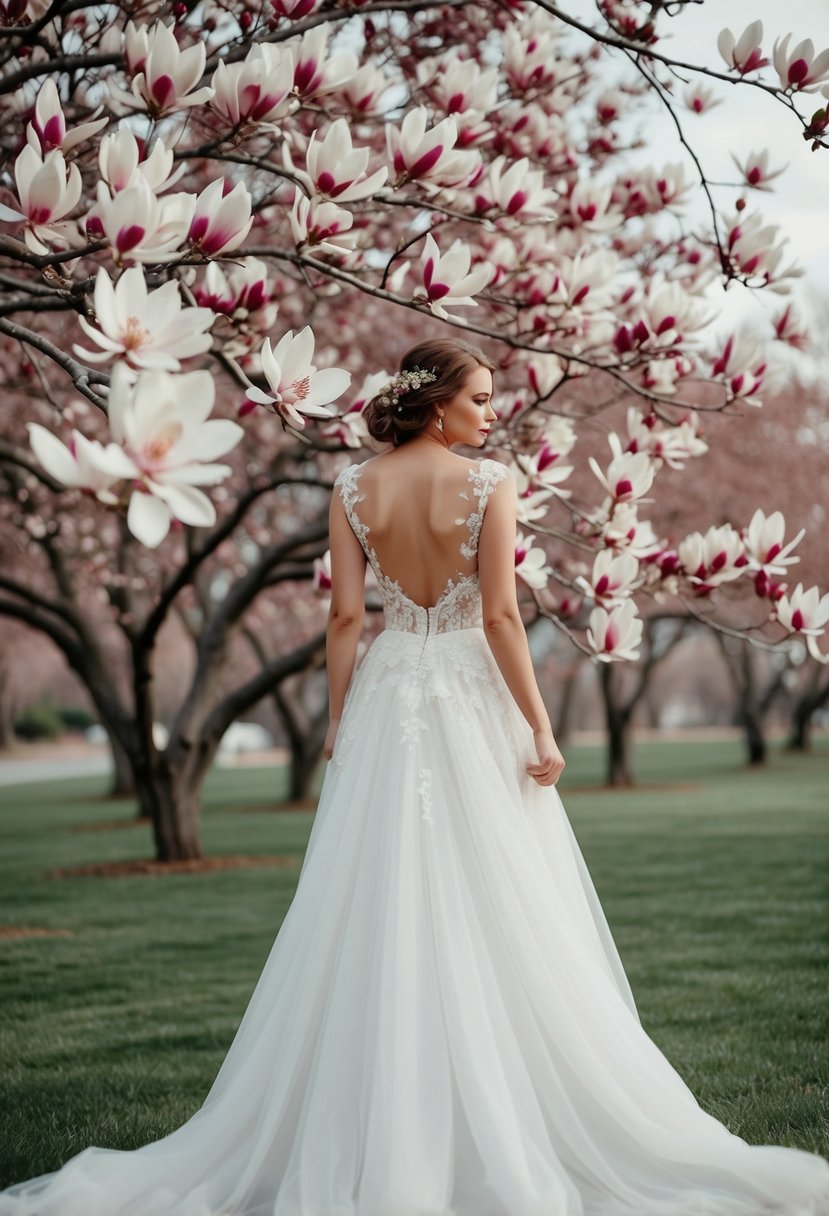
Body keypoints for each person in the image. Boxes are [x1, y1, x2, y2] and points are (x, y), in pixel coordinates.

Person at [2, 338, 828, 1216]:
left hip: (390, 691)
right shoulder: (489, 484)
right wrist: (540, 723)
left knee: (381, 890)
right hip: (471, 691)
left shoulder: (352, 487)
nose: (489, 414)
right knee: (503, 891)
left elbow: (346, 615)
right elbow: (503, 614)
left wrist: (337, 717)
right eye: (477, 399)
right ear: (436, 404)